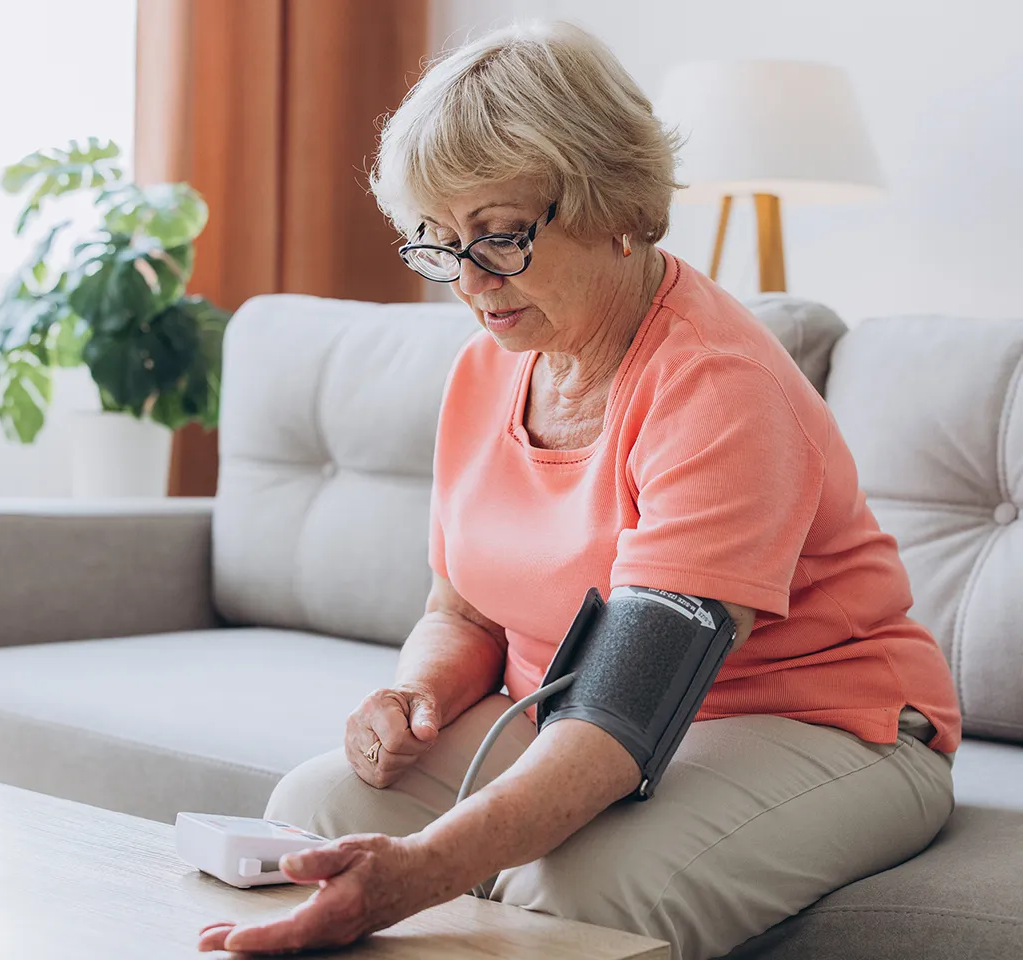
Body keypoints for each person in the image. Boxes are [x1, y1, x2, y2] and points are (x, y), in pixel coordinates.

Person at [198, 21, 960, 960]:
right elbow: (462, 609)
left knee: (588, 891)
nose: (471, 283)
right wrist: (414, 697)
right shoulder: (488, 367)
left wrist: (423, 870)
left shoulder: (719, 386)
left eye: (501, 236)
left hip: (821, 720)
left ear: (615, 205)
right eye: (439, 243)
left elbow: (623, 714)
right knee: (320, 807)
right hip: (574, 710)